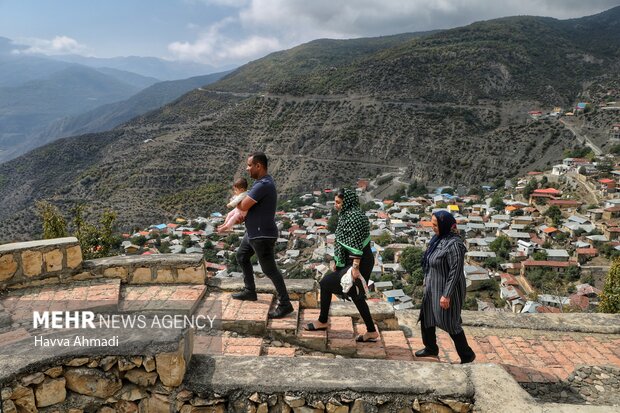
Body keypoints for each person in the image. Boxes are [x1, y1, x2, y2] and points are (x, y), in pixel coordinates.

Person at [304, 189, 378, 342]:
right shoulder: (348, 214)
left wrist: (355, 268)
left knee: (325, 283)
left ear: (347, 202)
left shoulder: (355, 217)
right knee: (356, 295)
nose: (336, 205)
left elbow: (356, 243)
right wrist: (339, 263)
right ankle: (371, 331)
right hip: (356, 260)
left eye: (338, 202)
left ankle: (323, 321)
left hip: (359, 261)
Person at [229, 152, 293, 319]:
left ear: (259, 166)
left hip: (262, 234)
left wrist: (239, 200)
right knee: (242, 256)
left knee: (269, 269)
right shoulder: (261, 183)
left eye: (250, 165)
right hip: (253, 232)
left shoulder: (262, 185)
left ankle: (285, 304)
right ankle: (250, 290)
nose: (247, 168)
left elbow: (243, 205)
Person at [415, 210, 476, 364]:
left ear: (445, 225)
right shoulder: (438, 239)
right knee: (427, 316)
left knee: (449, 321)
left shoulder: (455, 244)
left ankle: (467, 355)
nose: (432, 227)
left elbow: (455, 272)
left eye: (435, 225)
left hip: (447, 289)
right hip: (432, 285)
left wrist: (446, 294)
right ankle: (430, 347)